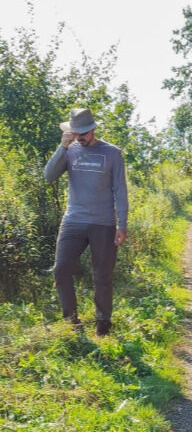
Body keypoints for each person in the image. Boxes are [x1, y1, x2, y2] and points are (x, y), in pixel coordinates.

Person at [44, 107, 129, 336]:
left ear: (93, 129)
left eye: (83, 132)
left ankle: (103, 322)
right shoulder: (69, 151)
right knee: (61, 270)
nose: (80, 136)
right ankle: (71, 321)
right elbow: (48, 175)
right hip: (74, 220)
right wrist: (62, 146)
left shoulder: (111, 153)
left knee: (102, 275)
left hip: (103, 222)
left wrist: (122, 225)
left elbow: (120, 190)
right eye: (76, 132)